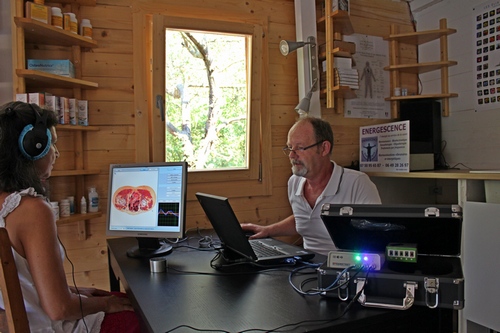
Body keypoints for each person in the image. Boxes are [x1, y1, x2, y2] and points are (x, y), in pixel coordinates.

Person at [0, 101, 140, 333]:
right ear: (32, 148)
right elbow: (59, 309)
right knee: (142, 315)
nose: (56, 153)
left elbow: (26, 281)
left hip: (21, 320)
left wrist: (74, 291)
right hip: (46, 326)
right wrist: (105, 304)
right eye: (51, 144)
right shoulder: (33, 210)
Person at [241, 116, 381, 256]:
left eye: (300, 148)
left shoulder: (358, 183)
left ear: (324, 148)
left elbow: (375, 236)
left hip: (347, 269)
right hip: (306, 266)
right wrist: (267, 230)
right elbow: (303, 219)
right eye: (290, 148)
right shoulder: (294, 182)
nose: (291, 155)